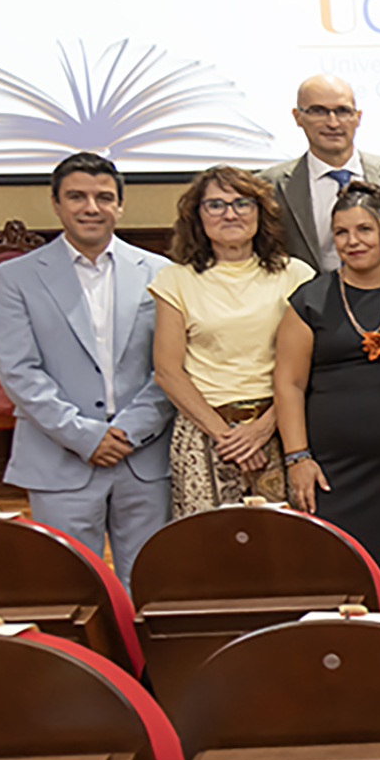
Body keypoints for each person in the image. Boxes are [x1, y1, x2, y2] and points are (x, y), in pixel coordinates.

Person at [0, 152, 174, 586]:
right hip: (59, 455)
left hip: (143, 456)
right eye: (77, 196)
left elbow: (170, 368)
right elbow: (19, 371)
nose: (91, 207)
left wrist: (128, 431)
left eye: (103, 197)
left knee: (148, 584)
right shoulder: (14, 277)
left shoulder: (162, 272)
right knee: (69, 584)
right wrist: (85, 436)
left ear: (120, 205)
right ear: (56, 203)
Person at [273, 180, 380, 580]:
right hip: (332, 471)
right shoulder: (309, 300)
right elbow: (288, 384)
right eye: (342, 233)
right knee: (338, 573)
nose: (353, 241)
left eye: (364, 230)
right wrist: (298, 458)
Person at [150, 167, 317, 517]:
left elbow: (311, 366)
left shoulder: (297, 275)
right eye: (215, 205)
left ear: (261, 211)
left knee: (285, 547)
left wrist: (263, 427)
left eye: (242, 203)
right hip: (205, 432)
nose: (230, 213)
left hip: (280, 429)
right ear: (198, 216)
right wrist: (227, 436)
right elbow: (167, 370)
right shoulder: (174, 280)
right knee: (209, 551)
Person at [256, 74, 380, 271]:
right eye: (318, 111)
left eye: (343, 111)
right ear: (298, 117)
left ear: (357, 117)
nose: (333, 123)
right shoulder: (268, 186)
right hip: (302, 299)